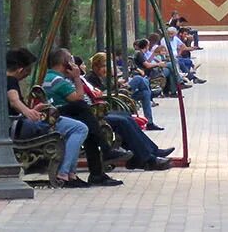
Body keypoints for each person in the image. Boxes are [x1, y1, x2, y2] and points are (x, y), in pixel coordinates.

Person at [71, 54, 174, 170]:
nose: (82, 67)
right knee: (123, 120)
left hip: (95, 110)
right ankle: (148, 158)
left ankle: (149, 152)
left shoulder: (81, 80)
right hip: (91, 113)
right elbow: (87, 96)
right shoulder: (80, 80)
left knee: (127, 117)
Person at [40, 50, 95, 188]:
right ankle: (65, 172)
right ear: (65, 63)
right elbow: (78, 99)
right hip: (54, 118)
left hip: (54, 114)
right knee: (81, 128)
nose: (73, 63)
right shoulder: (57, 80)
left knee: (84, 125)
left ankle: (71, 173)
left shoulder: (48, 76)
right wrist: (76, 78)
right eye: (71, 60)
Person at [126, 39, 162, 129]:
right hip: (130, 85)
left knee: (145, 93)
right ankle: (151, 94)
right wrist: (158, 64)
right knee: (141, 79)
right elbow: (147, 65)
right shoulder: (139, 54)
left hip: (137, 80)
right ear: (146, 45)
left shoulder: (140, 54)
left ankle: (149, 123)